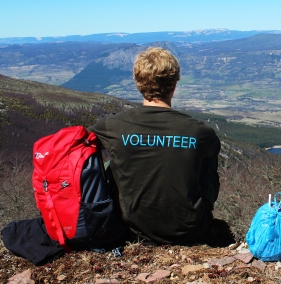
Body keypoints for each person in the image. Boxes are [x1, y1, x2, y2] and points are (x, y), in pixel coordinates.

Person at [88, 47, 220, 245]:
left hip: (131, 229)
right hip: (190, 230)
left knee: (109, 162)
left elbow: (79, 147)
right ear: (174, 84)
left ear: (138, 84)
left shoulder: (112, 126)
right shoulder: (200, 132)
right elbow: (210, 182)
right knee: (204, 162)